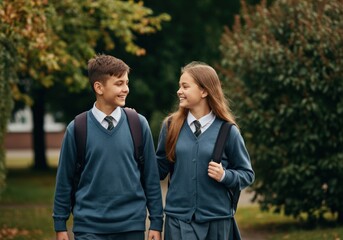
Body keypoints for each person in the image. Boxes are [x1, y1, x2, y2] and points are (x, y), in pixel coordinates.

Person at [53, 54, 163, 240]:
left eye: (127, 83)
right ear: (99, 87)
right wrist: (60, 225)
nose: (126, 89)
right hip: (89, 227)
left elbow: (151, 178)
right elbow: (64, 180)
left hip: (131, 227)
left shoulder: (138, 124)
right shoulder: (78, 128)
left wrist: (156, 222)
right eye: (119, 83)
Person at [156, 61, 255, 240]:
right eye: (179, 86)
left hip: (217, 221)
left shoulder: (228, 131)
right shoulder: (170, 126)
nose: (179, 91)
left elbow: (247, 174)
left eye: (185, 86)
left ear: (204, 91)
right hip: (178, 220)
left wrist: (225, 176)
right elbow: (158, 170)